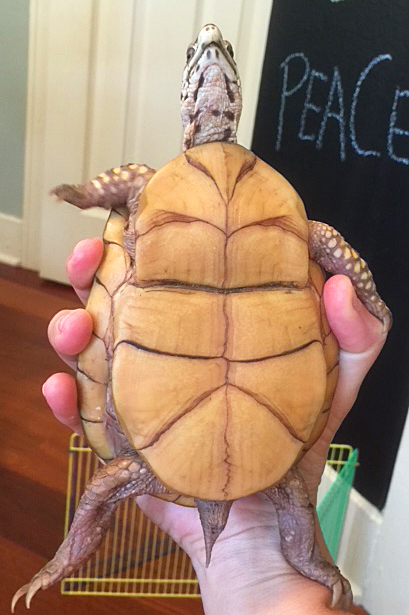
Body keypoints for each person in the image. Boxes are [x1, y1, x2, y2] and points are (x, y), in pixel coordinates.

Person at [43, 237, 387, 614]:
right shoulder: (281, 479)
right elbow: (317, 238)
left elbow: (99, 494)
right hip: (257, 262)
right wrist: (303, 564)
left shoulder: (147, 465)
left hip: (159, 262)